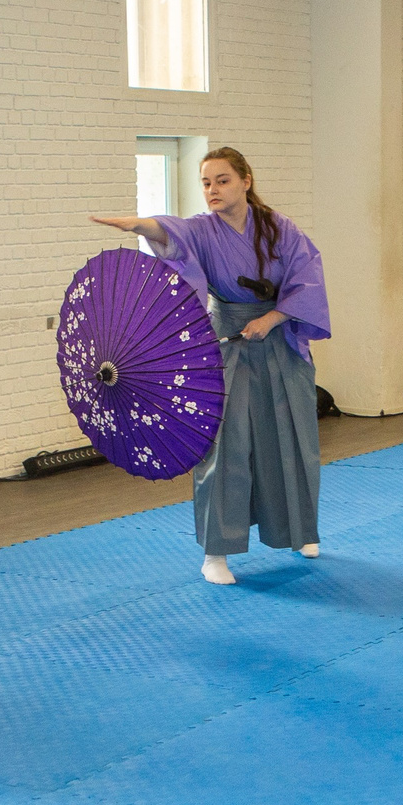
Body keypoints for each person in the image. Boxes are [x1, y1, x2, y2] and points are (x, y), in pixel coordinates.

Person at [92, 148, 329, 585]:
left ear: (245, 180)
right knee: (225, 445)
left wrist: (272, 318)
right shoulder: (202, 230)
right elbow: (172, 234)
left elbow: (306, 280)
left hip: (279, 338)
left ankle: (299, 531)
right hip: (228, 343)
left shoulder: (280, 229)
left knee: (292, 436)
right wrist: (140, 225)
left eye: (222, 180)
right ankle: (215, 552)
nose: (212, 190)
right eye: (205, 183)